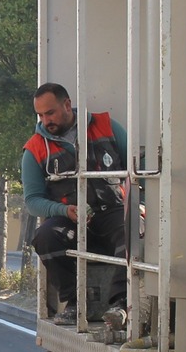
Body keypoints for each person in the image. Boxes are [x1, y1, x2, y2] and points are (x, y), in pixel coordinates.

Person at [23, 82, 126, 323]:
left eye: (50, 113)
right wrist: (63, 210)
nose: (45, 121)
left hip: (113, 212)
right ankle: (75, 303)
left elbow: (139, 165)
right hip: (71, 220)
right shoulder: (34, 149)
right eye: (40, 115)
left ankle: (121, 304)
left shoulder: (107, 127)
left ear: (67, 105)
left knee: (133, 229)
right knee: (45, 236)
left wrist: (140, 203)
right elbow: (32, 200)